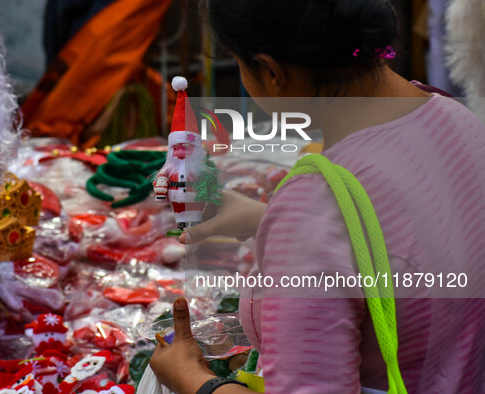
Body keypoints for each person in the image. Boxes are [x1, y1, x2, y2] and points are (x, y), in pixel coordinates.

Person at [149, 0, 485, 393]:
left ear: (271, 72)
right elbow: (404, 252)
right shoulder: (456, 119)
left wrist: (193, 380)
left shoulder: (316, 203)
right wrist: (269, 220)